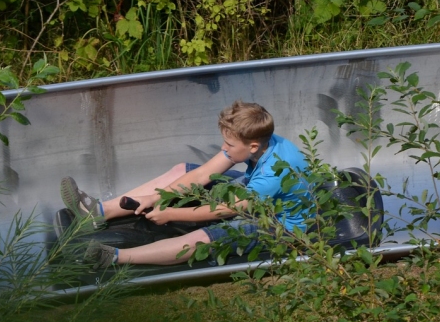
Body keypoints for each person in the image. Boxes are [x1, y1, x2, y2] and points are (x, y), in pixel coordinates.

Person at [60, 100, 310, 269]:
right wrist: (155, 198)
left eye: (230, 146)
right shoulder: (258, 139)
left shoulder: (272, 174)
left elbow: (223, 209)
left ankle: (113, 258)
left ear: (253, 146)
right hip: (257, 197)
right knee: (183, 170)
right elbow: (202, 174)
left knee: (207, 237)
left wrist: (170, 213)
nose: (224, 149)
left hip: (279, 227)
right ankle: (99, 212)